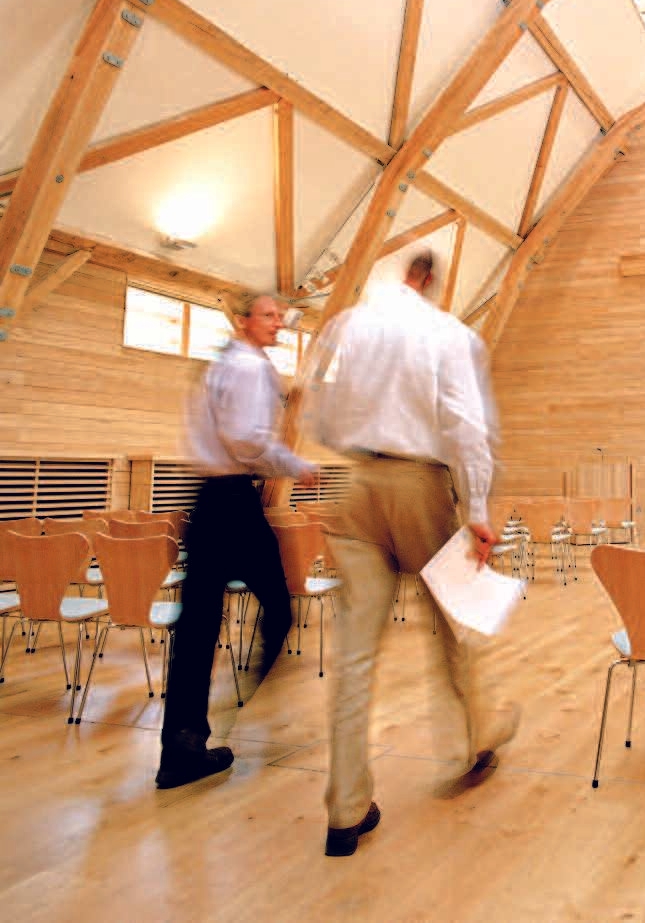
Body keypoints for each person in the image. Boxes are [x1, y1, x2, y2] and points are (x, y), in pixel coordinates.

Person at [307, 250, 518, 858]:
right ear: (430, 282)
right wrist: (477, 509)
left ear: (402, 275)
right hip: (418, 483)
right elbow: (466, 428)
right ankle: (472, 744)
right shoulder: (449, 334)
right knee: (452, 625)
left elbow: (317, 416)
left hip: (354, 484)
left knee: (353, 658)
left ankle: (345, 811)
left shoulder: (345, 325)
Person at [157, 293, 318, 790]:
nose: (277, 324)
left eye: (280, 317)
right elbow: (245, 439)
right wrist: (296, 465)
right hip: (231, 500)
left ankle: (181, 748)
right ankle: (250, 694)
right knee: (279, 604)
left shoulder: (222, 365)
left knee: (198, 623)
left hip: (208, 498)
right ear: (246, 321)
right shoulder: (248, 368)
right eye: (267, 316)